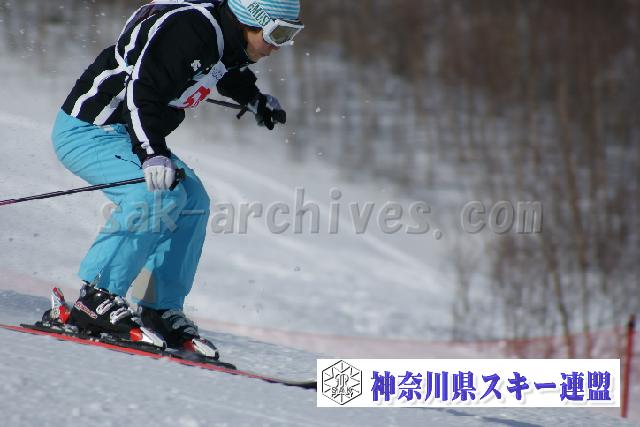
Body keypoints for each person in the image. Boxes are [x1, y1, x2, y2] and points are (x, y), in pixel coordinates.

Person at [49, 0, 304, 358]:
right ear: (251, 18)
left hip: (127, 134)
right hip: (91, 129)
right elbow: (141, 93)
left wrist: (255, 99)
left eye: (291, 34)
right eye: (278, 33)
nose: (281, 45)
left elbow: (221, 70)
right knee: (156, 195)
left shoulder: (224, 37)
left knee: (193, 201)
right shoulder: (189, 30)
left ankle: (158, 308)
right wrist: (152, 152)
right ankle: (95, 299)